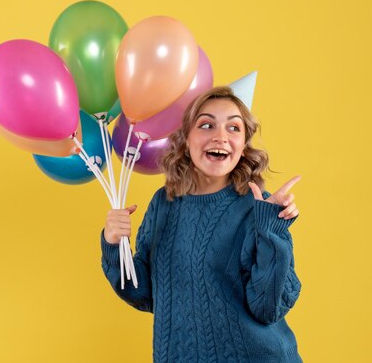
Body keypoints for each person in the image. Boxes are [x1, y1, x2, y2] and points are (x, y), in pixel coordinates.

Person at [101, 86, 303, 363]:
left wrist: (271, 230)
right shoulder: (164, 203)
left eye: (234, 128)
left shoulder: (260, 208)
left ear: (243, 146)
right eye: (207, 125)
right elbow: (145, 293)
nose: (220, 136)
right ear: (185, 139)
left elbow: (268, 308)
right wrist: (114, 244)